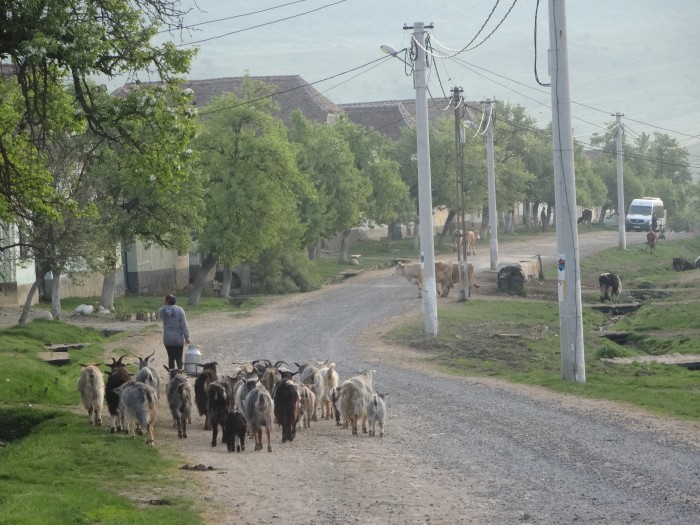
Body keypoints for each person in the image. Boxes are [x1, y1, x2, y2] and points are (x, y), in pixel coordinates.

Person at [159, 294, 190, 370]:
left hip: (167, 339)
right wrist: (186, 337)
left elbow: (162, 318)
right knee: (179, 358)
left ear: (166, 301)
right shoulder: (180, 310)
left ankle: (172, 376)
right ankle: (180, 375)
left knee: (171, 358)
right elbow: (184, 324)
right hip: (178, 339)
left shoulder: (161, 310)